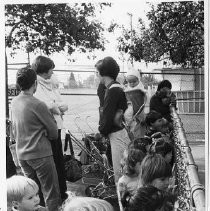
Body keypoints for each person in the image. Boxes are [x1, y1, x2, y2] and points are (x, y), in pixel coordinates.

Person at [11, 67, 61, 210]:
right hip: (40, 154)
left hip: (22, 156)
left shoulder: (14, 102)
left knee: (31, 194)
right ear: (35, 83)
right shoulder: (38, 104)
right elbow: (54, 132)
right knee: (51, 193)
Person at [32, 56, 68, 201]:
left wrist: (56, 106)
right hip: (47, 130)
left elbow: (59, 104)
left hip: (57, 126)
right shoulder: (36, 85)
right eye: (51, 70)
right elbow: (46, 105)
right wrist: (56, 106)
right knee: (52, 164)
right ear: (44, 71)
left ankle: (61, 192)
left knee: (59, 161)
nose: (52, 73)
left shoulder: (50, 83)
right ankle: (54, 195)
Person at [96, 56, 131, 183]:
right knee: (122, 168)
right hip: (120, 133)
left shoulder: (112, 90)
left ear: (102, 74)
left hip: (116, 134)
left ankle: (123, 198)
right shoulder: (116, 87)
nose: (96, 76)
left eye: (97, 73)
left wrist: (101, 131)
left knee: (120, 173)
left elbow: (107, 115)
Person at [117, 145, 145, 211]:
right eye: (141, 164)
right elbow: (122, 201)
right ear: (132, 165)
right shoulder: (123, 181)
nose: (143, 166)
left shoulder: (142, 176)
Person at [124, 68, 147, 140]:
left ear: (138, 80)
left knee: (139, 131)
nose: (132, 84)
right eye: (130, 82)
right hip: (130, 115)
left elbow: (146, 101)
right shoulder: (126, 90)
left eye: (134, 81)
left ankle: (139, 143)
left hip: (140, 113)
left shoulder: (142, 89)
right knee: (130, 132)